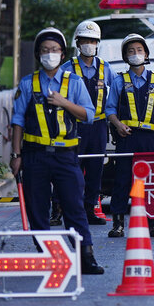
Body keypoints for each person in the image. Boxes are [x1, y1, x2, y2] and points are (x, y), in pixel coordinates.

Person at [9, 27, 104, 275]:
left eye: (54, 50)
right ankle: (47, 257)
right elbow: (17, 120)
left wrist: (63, 102)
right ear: (38, 55)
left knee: (74, 208)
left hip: (66, 156)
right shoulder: (28, 83)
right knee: (38, 211)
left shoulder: (73, 82)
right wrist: (16, 155)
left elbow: (89, 115)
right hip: (35, 156)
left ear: (62, 54)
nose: (49, 54)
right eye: (44, 50)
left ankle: (86, 257)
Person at [105, 34, 154, 238]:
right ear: (125, 56)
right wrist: (118, 125)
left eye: (139, 50)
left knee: (151, 181)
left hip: (150, 140)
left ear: (146, 54)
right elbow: (110, 110)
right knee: (122, 180)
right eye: (131, 51)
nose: (136, 54)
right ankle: (118, 224)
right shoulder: (119, 81)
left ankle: (152, 222)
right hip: (127, 138)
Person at [54, 20, 111, 227]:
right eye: (85, 40)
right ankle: (58, 209)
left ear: (98, 43)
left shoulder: (106, 69)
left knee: (95, 170)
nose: (89, 44)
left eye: (93, 41)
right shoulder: (67, 68)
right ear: (77, 43)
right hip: (73, 126)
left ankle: (89, 210)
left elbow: (112, 100)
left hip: (98, 127)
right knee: (68, 168)